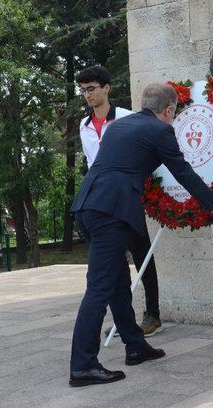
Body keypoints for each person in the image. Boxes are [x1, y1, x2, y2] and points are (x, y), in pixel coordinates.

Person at [68, 83, 213, 387]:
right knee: (99, 288)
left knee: (119, 281)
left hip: (89, 206)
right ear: (169, 110)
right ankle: (83, 365)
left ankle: (135, 346)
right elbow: (183, 173)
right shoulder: (160, 131)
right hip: (111, 212)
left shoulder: (119, 126)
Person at [76, 65, 163, 337]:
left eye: (91, 89)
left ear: (106, 88)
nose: (87, 95)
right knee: (113, 264)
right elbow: (93, 163)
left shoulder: (127, 117)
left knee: (142, 256)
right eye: (83, 90)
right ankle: (125, 321)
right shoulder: (85, 125)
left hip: (128, 198)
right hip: (101, 201)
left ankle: (153, 314)